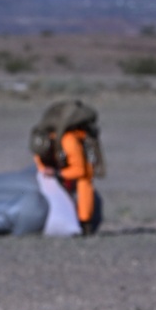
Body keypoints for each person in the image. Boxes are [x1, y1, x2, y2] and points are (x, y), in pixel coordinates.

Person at [30, 99, 105, 235]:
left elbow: (80, 170)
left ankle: (85, 223)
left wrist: (57, 173)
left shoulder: (69, 142)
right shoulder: (39, 148)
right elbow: (41, 166)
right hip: (61, 168)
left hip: (78, 169)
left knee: (84, 183)